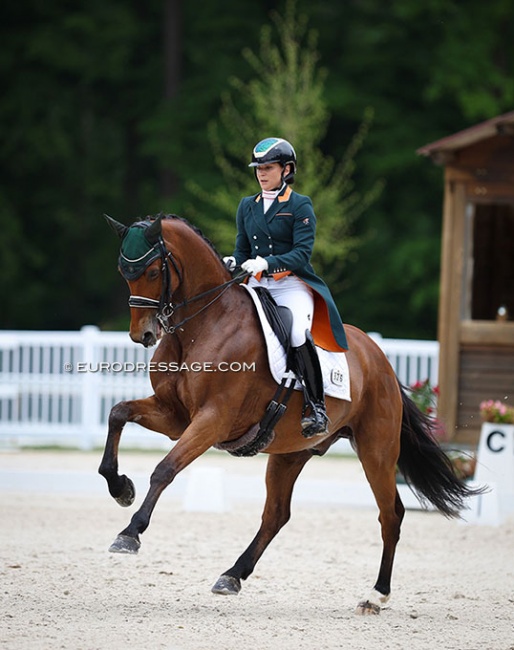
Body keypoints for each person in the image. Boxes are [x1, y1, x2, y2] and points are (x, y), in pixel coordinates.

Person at [224, 137, 348, 438]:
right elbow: (242, 250)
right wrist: (232, 261)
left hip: (290, 284)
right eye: (258, 168)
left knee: (296, 333)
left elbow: (301, 254)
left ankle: (316, 407)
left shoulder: (299, 204)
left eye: (268, 168)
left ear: (286, 169)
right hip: (255, 283)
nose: (261, 174)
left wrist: (266, 262)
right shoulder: (246, 206)